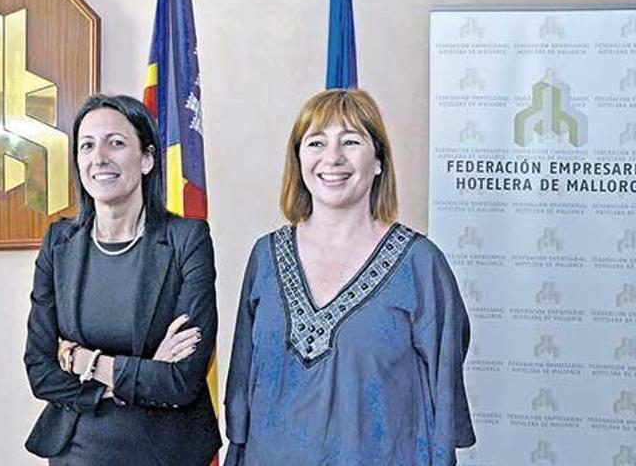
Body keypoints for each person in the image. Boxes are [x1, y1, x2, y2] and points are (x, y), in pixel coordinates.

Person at [224, 89, 475, 466]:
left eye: (351, 141)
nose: (333, 157)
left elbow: (443, 397)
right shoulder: (265, 257)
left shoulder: (421, 265)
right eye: (316, 142)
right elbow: (242, 392)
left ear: (378, 161)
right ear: (299, 159)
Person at [24, 94, 221, 466]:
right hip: (77, 449)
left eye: (116, 142)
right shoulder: (58, 243)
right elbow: (39, 369)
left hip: (167, 452)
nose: (99, 157)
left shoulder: (187, 240)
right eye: (87, 145)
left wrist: (83, 361)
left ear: (147, 159)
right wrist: (142, 371)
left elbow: (182, 380)